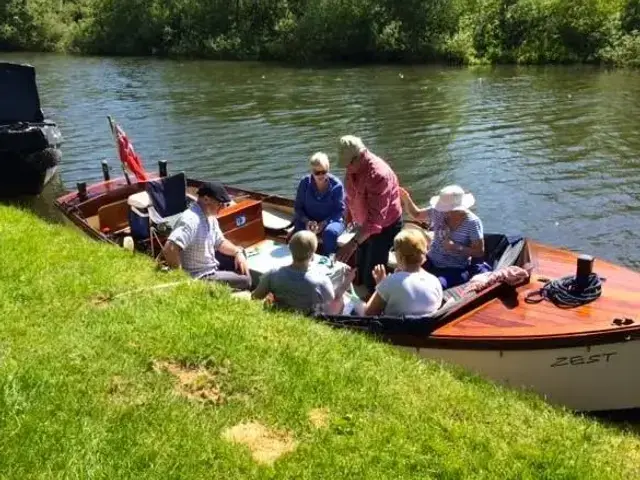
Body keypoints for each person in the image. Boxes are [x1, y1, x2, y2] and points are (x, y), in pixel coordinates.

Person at [335, 135, 403, 297]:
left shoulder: (379, 175)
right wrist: (349, 216)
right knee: (359, 267)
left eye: (348, 164)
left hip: (384, 228)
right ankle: (362, 297)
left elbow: (375, 220)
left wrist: (352, 243)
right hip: (363, 225)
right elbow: (351, 196)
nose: (346, 168)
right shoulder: (352, 167)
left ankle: (374, 307)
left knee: (371, 275)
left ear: (358, 157)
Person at [161, 181, 252, 290]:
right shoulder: (191, 220)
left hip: (209, 264)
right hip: (201, 275)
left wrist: (237, 252)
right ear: (206, 199)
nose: (223, 207)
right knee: (246, 281)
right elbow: (170, 248)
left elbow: (220, 242)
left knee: (241, 252)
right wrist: (181, 279)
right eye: (220, 204)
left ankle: (226, 277)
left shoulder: (210, 217)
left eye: (225, 204)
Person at [400, 184, 489, 289]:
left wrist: (455, 247)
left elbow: (479, 252)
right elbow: (417, 214)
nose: (444, 212)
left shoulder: (473, 222)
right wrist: (406, 198)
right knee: (403, 277)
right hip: (431, 259)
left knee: (436, 286)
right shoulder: (437, 211)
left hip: (455, 267)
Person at [251, 230, 355, 314]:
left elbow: (255, 297)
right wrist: (344, 286)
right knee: (347, 302)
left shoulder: (273, 274)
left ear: (290, 249)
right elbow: (331, 311)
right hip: (309, 323)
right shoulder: (321, 281)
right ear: (313, 254)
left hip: (281, 316)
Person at [364, 229, 443, 317]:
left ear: (400, 256)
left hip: (394, 328)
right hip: (426, 328)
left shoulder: (391, 281)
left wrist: (381, 285)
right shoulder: (434, 281)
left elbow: (369, 312)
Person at [292, 152, 346, 255]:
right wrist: (307, 221)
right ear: (312, 171)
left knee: (330, 233)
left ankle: (327, 259)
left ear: (328, 169)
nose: (321, 175)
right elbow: (298, 208)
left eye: (324, 171)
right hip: (309, 220)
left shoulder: (337, 185)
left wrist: (324, 223)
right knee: (299, 228)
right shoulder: (304, 183)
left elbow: (340, 211)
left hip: (331, 220)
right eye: (317, 172)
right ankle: (302, 258)